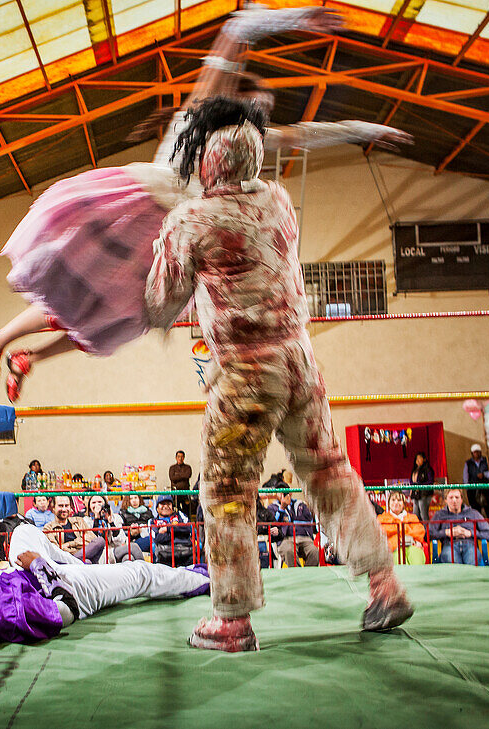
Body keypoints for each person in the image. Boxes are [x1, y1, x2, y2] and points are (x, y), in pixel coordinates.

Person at [0, 6, 410, 402]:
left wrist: (367, 131)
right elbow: (238, 26)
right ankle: (0, 338)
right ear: (232, 100)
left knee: (113, 317)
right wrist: (297, 18)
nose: (258, 123)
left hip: (173, 239)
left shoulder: (244, 144)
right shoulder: (200, 110)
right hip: (143, 207)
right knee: (81, 291)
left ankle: (28, 357)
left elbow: (306, 134)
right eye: (255, 109)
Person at [145, 96, 412, 652]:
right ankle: (384, 582)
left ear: (205, 158)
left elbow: (159, 304)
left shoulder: (192, 220)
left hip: (246, 372)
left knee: (226, 490)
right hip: (300, 362)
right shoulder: (278, 200)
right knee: (330, 471)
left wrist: (157, 244)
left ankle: (232, 621)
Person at [0, 524, 210, 643]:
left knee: (22, 530)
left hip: (23, 570)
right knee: (141, 573)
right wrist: (42, 568)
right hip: (61, 586)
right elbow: (66, 609)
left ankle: (80, 565)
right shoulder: (7, 614)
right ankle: (208, 578)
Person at [429, 488, 489, 565]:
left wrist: (470, 533)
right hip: (449, 545)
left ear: (462, 499)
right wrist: (446, 532)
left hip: (470, 544)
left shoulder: (473, 513)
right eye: (451, 497)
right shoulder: (439, 515)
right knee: (452, 562)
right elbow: (428, 534)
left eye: (457, 497)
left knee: (472, 561)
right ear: (445, 500)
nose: (454, 500)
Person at [83, 494, 144, 563]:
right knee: (133, 547)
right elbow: (93, 541)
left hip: (112, 551)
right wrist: (97, 518)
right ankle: (146, 571)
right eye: (94, 503)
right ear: (89, 506)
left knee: (128, 558)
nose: (97, 505)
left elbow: (120, 540)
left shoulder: (115, 518)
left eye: (100, 502)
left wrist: (111, 522)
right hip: (97, 554)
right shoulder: (86, 520)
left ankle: (141, 572)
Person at [377, 492, 427, 565]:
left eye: (399, 500)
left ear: (403, 503)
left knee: (417, 558)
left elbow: (419, 531)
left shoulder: (413, 517)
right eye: (393, 500)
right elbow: (384, 531)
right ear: (389, 502)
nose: (396, 503)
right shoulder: (382, 518)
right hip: (394, 549)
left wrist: (398, 532)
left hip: (412, 545)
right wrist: (405, 531)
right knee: (400, 561)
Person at [277, 487, 322, 568]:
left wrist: (291, 521)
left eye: (285, 493)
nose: (282, 496)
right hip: (286, 539)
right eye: (280, 493)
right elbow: (275, 523)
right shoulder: (273, 507)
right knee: (289, 551)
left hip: (304, 538)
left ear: (290, 494)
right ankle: (297, 574)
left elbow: (308, 520)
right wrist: (282, 508)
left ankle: (307, 575)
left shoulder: (301, 505)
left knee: (314, 551)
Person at [43, 494, 95, 559]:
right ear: (53, 508)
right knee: (87, 562)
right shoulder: (48, 527)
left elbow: (92, 540)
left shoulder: (79, 521)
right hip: (66, 561)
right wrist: (78, 550)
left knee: (100, 541)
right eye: (60, 506)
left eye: (66, 506)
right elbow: (56, 550)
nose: (64, 509)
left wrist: (69, 544)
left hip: (83, 556)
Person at [150, 495, 194, 566]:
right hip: (165, 553)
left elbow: (188, 529)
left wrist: (167, 529)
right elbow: (158, 539)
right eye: (162, 504)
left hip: (185, 550)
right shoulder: (153, 521)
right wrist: (178, 531)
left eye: (168, 504)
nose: (166, 506)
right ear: (157, 508)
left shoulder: (180, 515)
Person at [463, 444, 489, 515]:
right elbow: (465, 477)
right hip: (473, 490)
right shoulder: (468, 463)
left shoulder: (486, 460)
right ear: (472, 453)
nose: (477, 454)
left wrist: (484, 474)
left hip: (485, 488)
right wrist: (467, 489)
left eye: (478, 452)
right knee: (475, 511)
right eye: (475, 452)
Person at [409, 452, 436, 521]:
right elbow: (411, 481)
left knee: (423, 514)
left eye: (419, 458)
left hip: (424, 494)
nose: (417, 460)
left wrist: (420, 486)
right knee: (415, 514)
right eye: (416, 459)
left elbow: (430, 481)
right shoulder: (414, 470)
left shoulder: (428, 469)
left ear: (424, 459)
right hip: (415, 494)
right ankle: (417, 529)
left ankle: (426, 530)